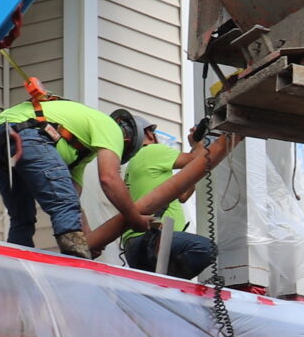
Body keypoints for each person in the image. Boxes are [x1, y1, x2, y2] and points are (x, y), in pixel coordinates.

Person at [0, 89, 137, 258]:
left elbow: (73, 200)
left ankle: (15, 264)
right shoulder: (111, 128)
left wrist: (86, 237)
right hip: (27, 133)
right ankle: (75, 259)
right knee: (63, 205)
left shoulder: (79, 152)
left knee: (22, 218)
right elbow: (109, 178)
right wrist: (135, 218)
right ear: (126, 141)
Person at [82, 110, 242, 279]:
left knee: (158, 290)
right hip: (153, 240)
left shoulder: (139, 164)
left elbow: (183, 195)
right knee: (204, 248)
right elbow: (199, 159)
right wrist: (197, 144)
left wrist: (195, 158)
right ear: (149, 134)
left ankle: (166, 288)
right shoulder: (152, 151)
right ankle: (175, 284)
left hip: (137, 246)